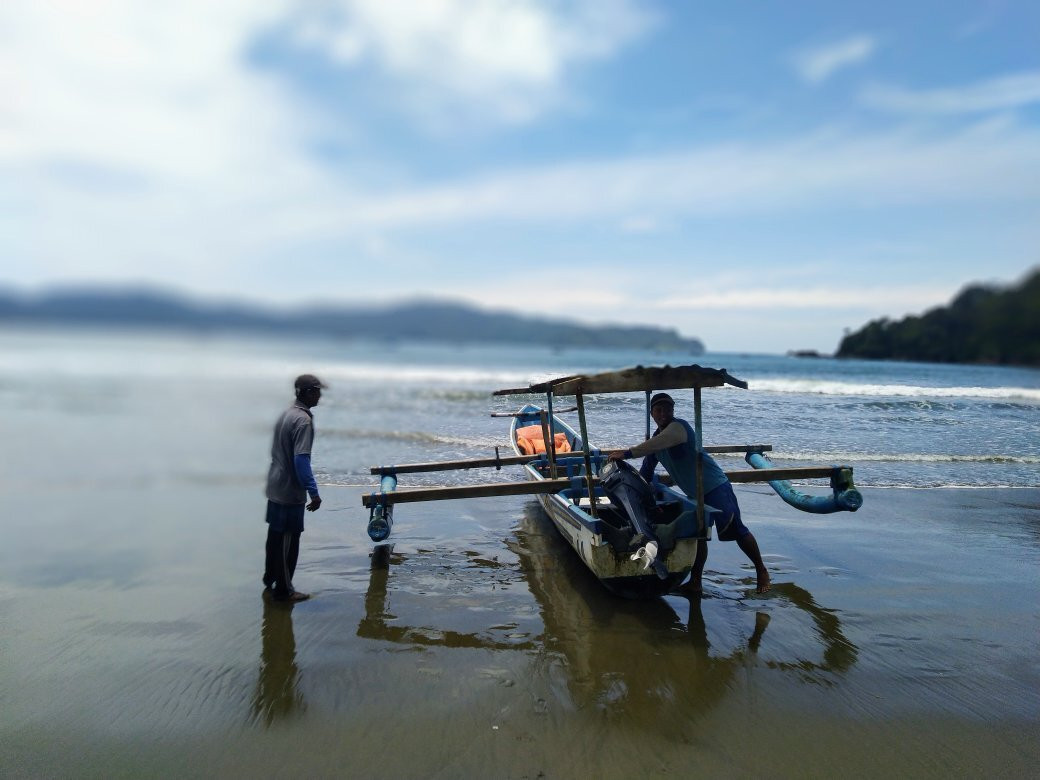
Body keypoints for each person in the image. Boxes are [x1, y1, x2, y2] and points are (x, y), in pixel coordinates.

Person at [608, 392, 771, 594]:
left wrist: (626, 453)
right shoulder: (655, 441)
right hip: (696, 494)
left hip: (715, 487)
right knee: (699, 536)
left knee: (736, 530)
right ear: (652, 413)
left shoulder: (679, 428)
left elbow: (656, 444)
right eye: (659, 410)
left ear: (673, 411)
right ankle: (695, 582)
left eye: (668, 409)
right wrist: (640, 496)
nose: (663, 413)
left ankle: (761, 570)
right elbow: (646, 473)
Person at [263, 373, 326, 602]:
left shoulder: (287, 414)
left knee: (275, 538)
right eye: (317, 391)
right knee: (288, 542)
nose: (320, 395)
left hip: (275, 485)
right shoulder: (303, 421)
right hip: (289, 491)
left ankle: (270, 579)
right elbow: (301, 460)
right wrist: (314, 492)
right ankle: (284, 591)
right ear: (307, 393)